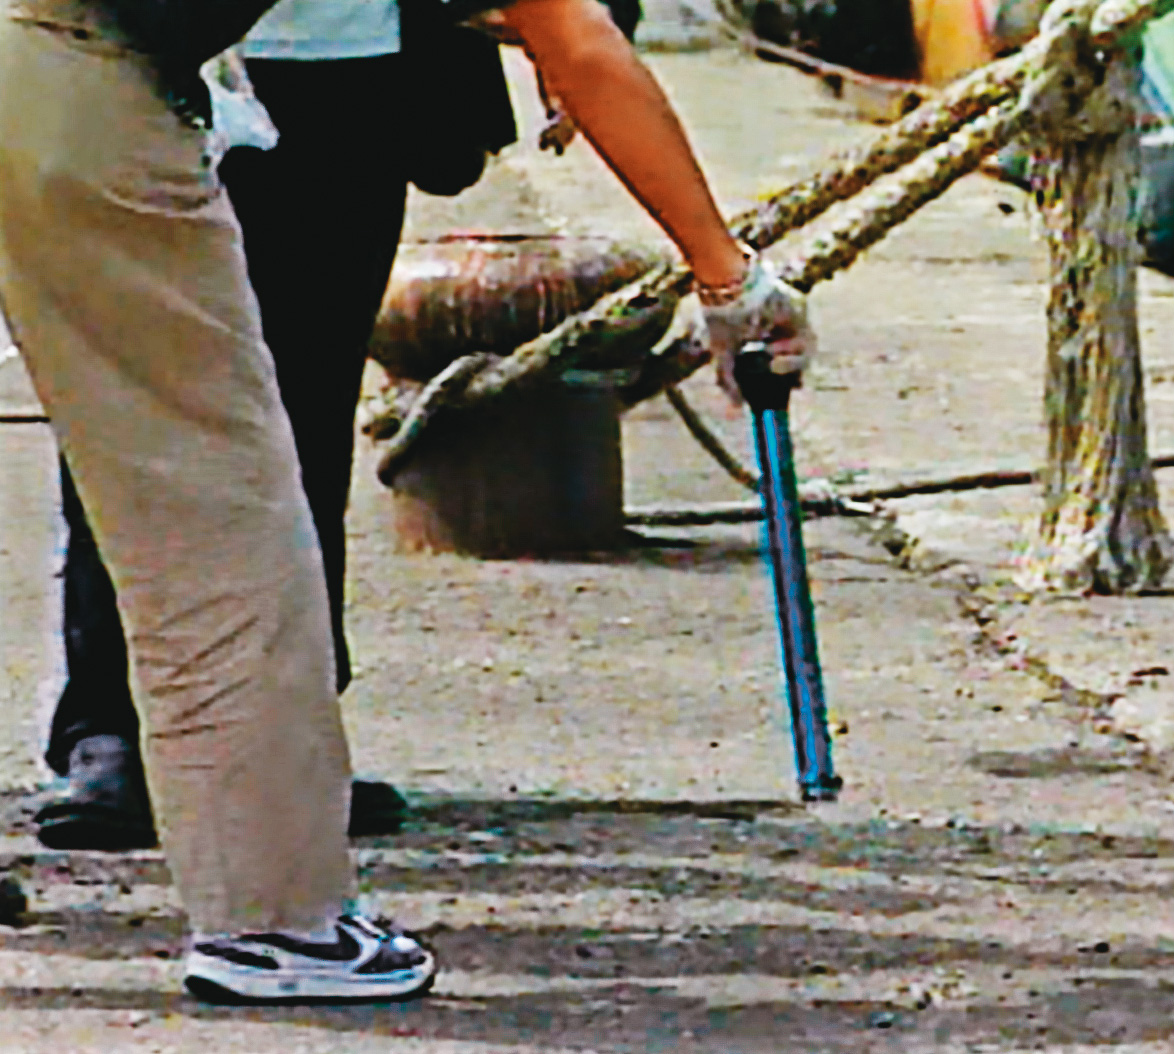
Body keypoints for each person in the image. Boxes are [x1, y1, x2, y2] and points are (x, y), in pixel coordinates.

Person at [0, 0, 812, 1005]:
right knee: (216, 513)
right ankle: (276, 921)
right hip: (68, 78)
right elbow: (576, 40)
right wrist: (725, 274)